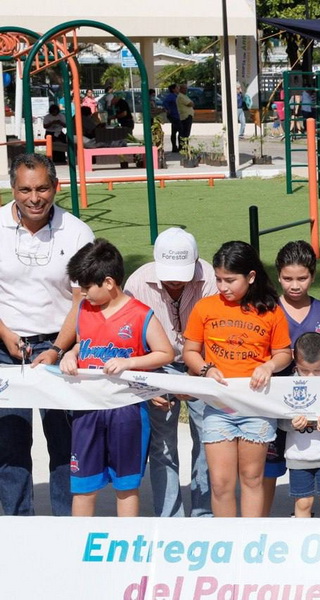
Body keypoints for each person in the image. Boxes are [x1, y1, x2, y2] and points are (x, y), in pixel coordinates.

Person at [0, 153, 95, 516]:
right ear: (13, 189)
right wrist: (5, 334)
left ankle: (65, 526)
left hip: (60, 347)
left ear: (56, 186)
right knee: (9, 444)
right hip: (6, 348)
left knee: (65, 444)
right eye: (25, 190)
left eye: (42, 188)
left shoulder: (77, 231)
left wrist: (57, 348)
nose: (34, 198)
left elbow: (82, 300)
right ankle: (18, 524)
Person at [60, 239, 175, 516]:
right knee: (83, 486)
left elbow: (165, 353)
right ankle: (80, 540)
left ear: (109, 282)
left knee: (126, 486)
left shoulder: (140, 315)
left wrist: (130, 362)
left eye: (87, 287)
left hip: (127, 411)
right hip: (87, 410)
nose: (82, 293)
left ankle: (127, 539)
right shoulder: (83, 310)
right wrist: (70, 354)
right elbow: (83, 343)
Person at [183, 241, 293, 517]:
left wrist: (269, 366)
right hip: (218, 409)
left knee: (252, 479)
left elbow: (284, 353)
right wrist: (206, 369)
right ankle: (226, 537)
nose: (223, 287)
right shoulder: (205, 308)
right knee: (221, 483)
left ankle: (251, 537)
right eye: (218, 279)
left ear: (251, 276)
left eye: (230, 280)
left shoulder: (271, 311)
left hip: (255, 407)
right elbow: (190, 351)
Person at [122, 228, 216, 518]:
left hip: (202, 363)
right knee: (162, 445)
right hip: (155, 366)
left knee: (208, 440)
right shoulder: (137, 283)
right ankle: (169, 517)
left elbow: (217, 331)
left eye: (182, 273)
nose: (175, 280)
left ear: (195, 261)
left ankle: (204, 514)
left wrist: (198, 373)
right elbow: (131, 340)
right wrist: (148, 386)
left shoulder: (210, 278)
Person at [262, 240, 320, 515]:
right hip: (273, 401)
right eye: (287, 278)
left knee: (314, 462)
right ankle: (261, 523)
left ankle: (305, 513)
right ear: (278, 275)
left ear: (313, 276)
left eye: (302, 278)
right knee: (268, 468)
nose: (294, 285)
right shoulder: (268, 311)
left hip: (315, 407)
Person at [282, 332, 320, 518]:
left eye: (317, 371)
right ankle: (302, 535)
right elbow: (279, 421)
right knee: (303, 503)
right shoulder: (288, 384)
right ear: (295, 359)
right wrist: (291, 424)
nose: (311, 376)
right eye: (304, 370)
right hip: (298, 456)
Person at [163, 84, 181, 153]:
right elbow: (165, 102)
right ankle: (179, 147)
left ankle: (175, 147)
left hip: (177, 115)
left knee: (174, 131)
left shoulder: (176, 96)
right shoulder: (171, 96)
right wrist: (168, 109)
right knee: (180, 131)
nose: (178, 89)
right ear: (173, 89)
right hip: (174, 115)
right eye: (177, 88)